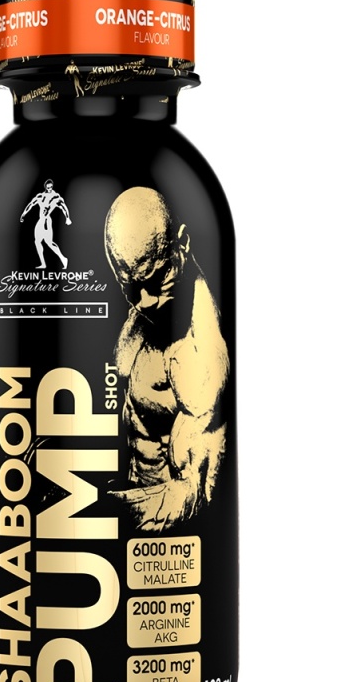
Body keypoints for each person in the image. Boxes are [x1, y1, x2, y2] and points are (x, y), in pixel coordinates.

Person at [104, 187, 230, 531]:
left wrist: (102, 508)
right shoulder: (147, 314)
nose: (143, 301)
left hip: (161, 537)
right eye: (130, 286)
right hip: (129, 506)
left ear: (182, 244)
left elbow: (193, 495)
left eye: (156, 278)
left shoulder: (198, 356)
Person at [20, 179, 72, 269]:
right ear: (45, 187)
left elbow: (63, 207)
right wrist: (23, 214)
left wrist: (67, 218)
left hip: (47, 221)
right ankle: (43, 263)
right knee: (37, 242)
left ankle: (63, 258)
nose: (49, 189)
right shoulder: (40, 196)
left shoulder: (55, 197)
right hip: (40, 221)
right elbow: (31, 204)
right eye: (48, 187)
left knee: (49, 242)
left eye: (51, 187)